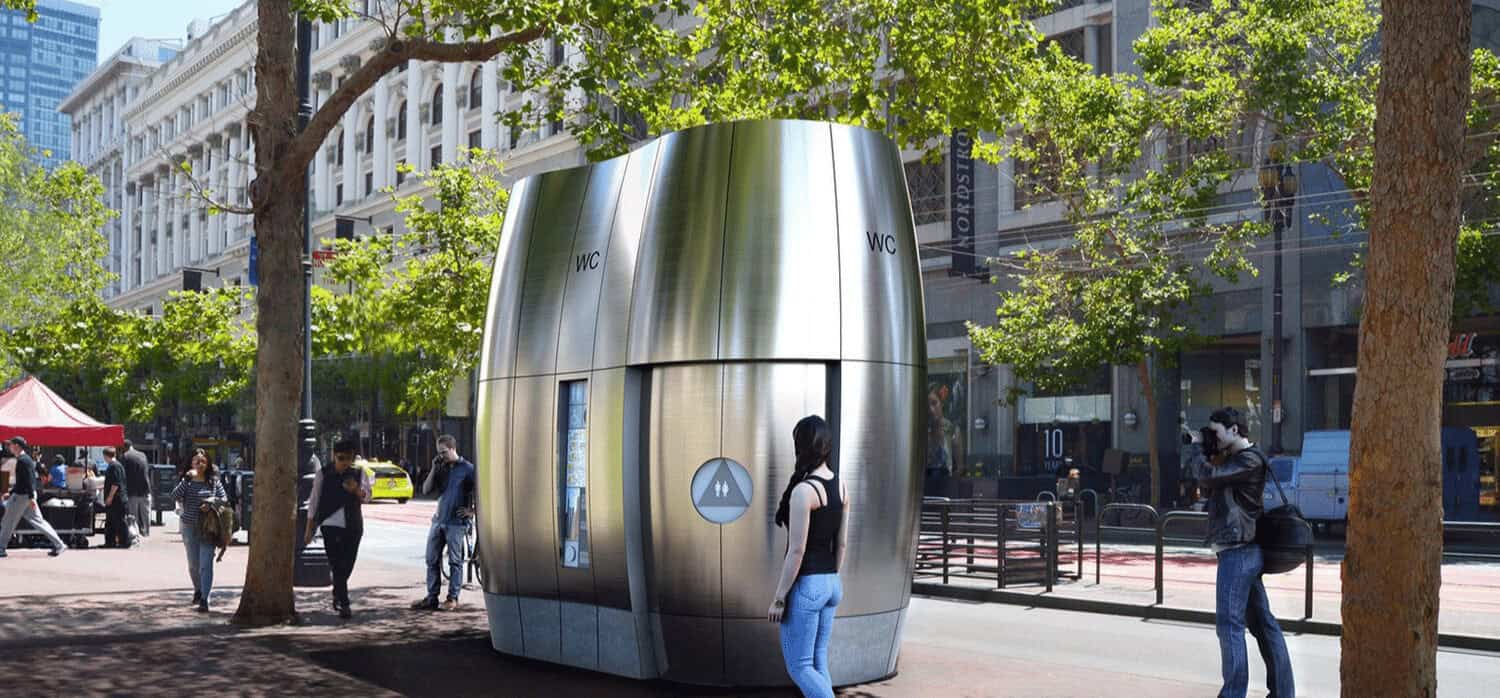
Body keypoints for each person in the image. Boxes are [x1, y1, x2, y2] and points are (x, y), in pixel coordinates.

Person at [1197, 407, 1294, 698]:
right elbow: (1206, 487)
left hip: (1238, 552)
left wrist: (1195, 450)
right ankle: (1282, 693)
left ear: (1235, 430)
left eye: (1216, 432)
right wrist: (1210, 452)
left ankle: (1234, 693)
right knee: (1264, 625)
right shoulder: (1234, 461)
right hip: (1241, 552)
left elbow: (1207, 477)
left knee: (1230, 626)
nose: (1212, 437)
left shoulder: (1249, 460)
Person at [767, 416, 848, 698]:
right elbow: (842, 544)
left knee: (800, 667)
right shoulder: (841, 485)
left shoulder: (804, 491)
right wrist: (830, 578)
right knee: (817, 660)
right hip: (831, 584)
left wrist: (779, 597)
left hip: (808, 586)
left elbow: (797, 550)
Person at [305, 439, 372, 619]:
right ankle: (344, 603)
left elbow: (367, 497)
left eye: (349, 458)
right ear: (334, 455)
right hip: (330, 524)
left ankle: (337, 590)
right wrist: (309, 528)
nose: (345, 463)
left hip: (353, 525)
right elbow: (314, 500)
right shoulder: (323, 474)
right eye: (341, 458)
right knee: (337, 564)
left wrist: (356, 490)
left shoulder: (359, 473)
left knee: (347, 564)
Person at [411, 434, 476, 611]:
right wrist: (433, 467)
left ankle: (452, 598)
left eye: (444, 452)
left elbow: (484, 493)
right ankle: (432, 597)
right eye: (439, 453)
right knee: (431, 559)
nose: (441, 456)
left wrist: (472, 512)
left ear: (453, 448)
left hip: (456, 523)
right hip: (438, 520)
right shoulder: (441, 467)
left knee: (455, 561)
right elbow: (425, 489)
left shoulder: (468, 468)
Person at [172, 450, 227, 612]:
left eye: (203, 461)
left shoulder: (214, 482)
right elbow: (173, 496)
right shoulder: (186, 481)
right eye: (196, 461)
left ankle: (205, 598)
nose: (199, 464)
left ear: (208, 464)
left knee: (206, 564)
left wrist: (211, 504)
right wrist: (186, 479)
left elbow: (224, 500)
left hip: (208, 528)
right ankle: (198, 589)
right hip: (189, 527)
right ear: (191, 463)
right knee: (193, 564)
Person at [0, 437, 67, 558]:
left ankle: (1, 548)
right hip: (25, 495)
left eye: (10, 444)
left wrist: (29, 496)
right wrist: (16, 494)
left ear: (16, 446)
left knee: (8, 521)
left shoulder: (23, 461)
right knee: (39, 522)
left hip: (21, 496)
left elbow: (29, 481)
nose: (8, 447)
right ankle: (59, 544)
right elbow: (24, 481)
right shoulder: (26, 459)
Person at [101, 444, 132, 548]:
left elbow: (115, 484)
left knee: (119, 521)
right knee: (110, 521)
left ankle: (125, 542)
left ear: (106, 455)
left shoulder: (114, 466)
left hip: (117, 499)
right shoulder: (117, 465)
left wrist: (109, 497)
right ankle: (110, 542)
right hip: (116, 499)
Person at [120, 440, 152, 538]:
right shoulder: (143, 455)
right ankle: (146, 532)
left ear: (124, 447)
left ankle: (136, 533)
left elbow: (123, 475)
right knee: (146, 513)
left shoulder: (125, 457)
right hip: (145, 488)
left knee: (133, 514)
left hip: (132, 489)